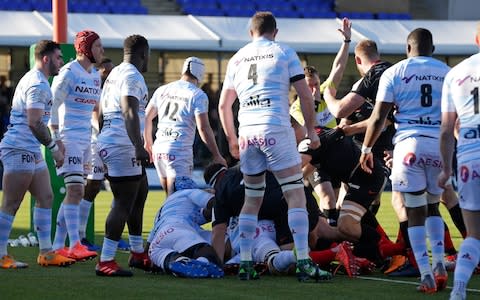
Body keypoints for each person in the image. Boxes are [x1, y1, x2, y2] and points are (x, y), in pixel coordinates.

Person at [218, 11, 322, 282]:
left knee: (252, 200)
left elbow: (223, 105)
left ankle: (245, 263)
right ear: (275, 32)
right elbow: (305, 95)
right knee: (294, 194)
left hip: (247, 132)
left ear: (250, 32)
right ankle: (303, 261)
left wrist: (231, 139)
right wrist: (311, 130)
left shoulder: (236, 58)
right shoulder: (283, 52)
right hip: (275, 126)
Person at [359, 28, 450, 294]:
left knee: (414, 212)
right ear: (433, 49)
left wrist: (366, 148)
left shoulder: (394, 72)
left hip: (408, 146)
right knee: (434, 207)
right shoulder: (447, 73)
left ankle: (425, 274)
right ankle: (441, 265)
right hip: (438, 145)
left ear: (407, 49)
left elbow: (377, 118)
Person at [0, 40, 75, 268]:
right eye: (59, 57)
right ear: (46, 58)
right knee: (11, 203)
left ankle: (46, 253)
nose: (61, 62)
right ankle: (1, 254)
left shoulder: (38, 80)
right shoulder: (38, 84)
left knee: (46, 197)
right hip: (19, 147)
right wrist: (53, 148)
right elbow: (34, 122)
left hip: (30, 148)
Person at [95, 34, 150, 277]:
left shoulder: (115, 73)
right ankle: (106, 260)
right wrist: (138, 145)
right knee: (123, 202)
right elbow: (129, 110)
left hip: (113, 139)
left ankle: (137, 252)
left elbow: (102, 114)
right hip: (122, 142)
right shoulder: (130, 75)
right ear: (143, 54)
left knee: (140, 193)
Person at [49, 30, 103, 261]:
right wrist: (55, 138)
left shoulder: (95, 76)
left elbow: (94, 109)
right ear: (86, 48)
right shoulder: (69, 72)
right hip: (68, 138)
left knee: (74, 194)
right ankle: (75, 245)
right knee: (76, 191)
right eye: (98, 46)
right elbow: (51, 104)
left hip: (85, 141)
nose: (102, 51)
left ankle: (58, 246)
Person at [438, 23, 480, 300]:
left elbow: (446, 129)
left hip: (469, 156)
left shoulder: (455, 73)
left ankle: (459, 288)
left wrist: (445, 169)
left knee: (474, 235)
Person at [144, 57, 226, 196]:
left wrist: (148, 143)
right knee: (179, 199)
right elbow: (204, 128)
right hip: (179, 150)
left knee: (170, 198)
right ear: (200, 74)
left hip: (159, 148)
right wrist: (217, 154)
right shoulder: (197, 94)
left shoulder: (162, 90)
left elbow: (146, 117)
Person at [147, 183, 224, 278]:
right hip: (176, 228)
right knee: (207, 251)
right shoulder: (190, 192)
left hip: (155, 247)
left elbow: (148, 245)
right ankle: (201, 262)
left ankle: (179, 261)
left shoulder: (166, 207)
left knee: (175, 258)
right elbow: (215, 203)